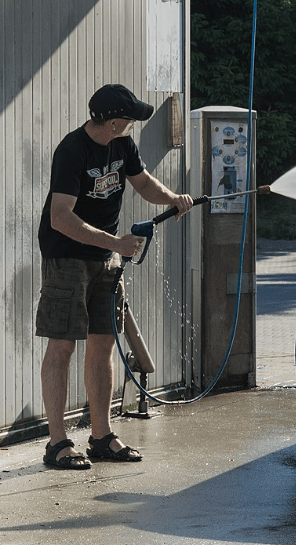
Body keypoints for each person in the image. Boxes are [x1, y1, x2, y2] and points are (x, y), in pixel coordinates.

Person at [36, 84, 194, 469]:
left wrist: (173, 198)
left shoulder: (122, 145)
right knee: (63, 346)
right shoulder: (72, 150)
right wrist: (116, 243)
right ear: (111, 120)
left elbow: (143, 182)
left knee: (104, 343)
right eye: (129, 119)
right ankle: (57, 443)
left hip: (106, 258)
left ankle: (101, 436)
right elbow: (60, 218)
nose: (132, 124)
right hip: (67, 257)